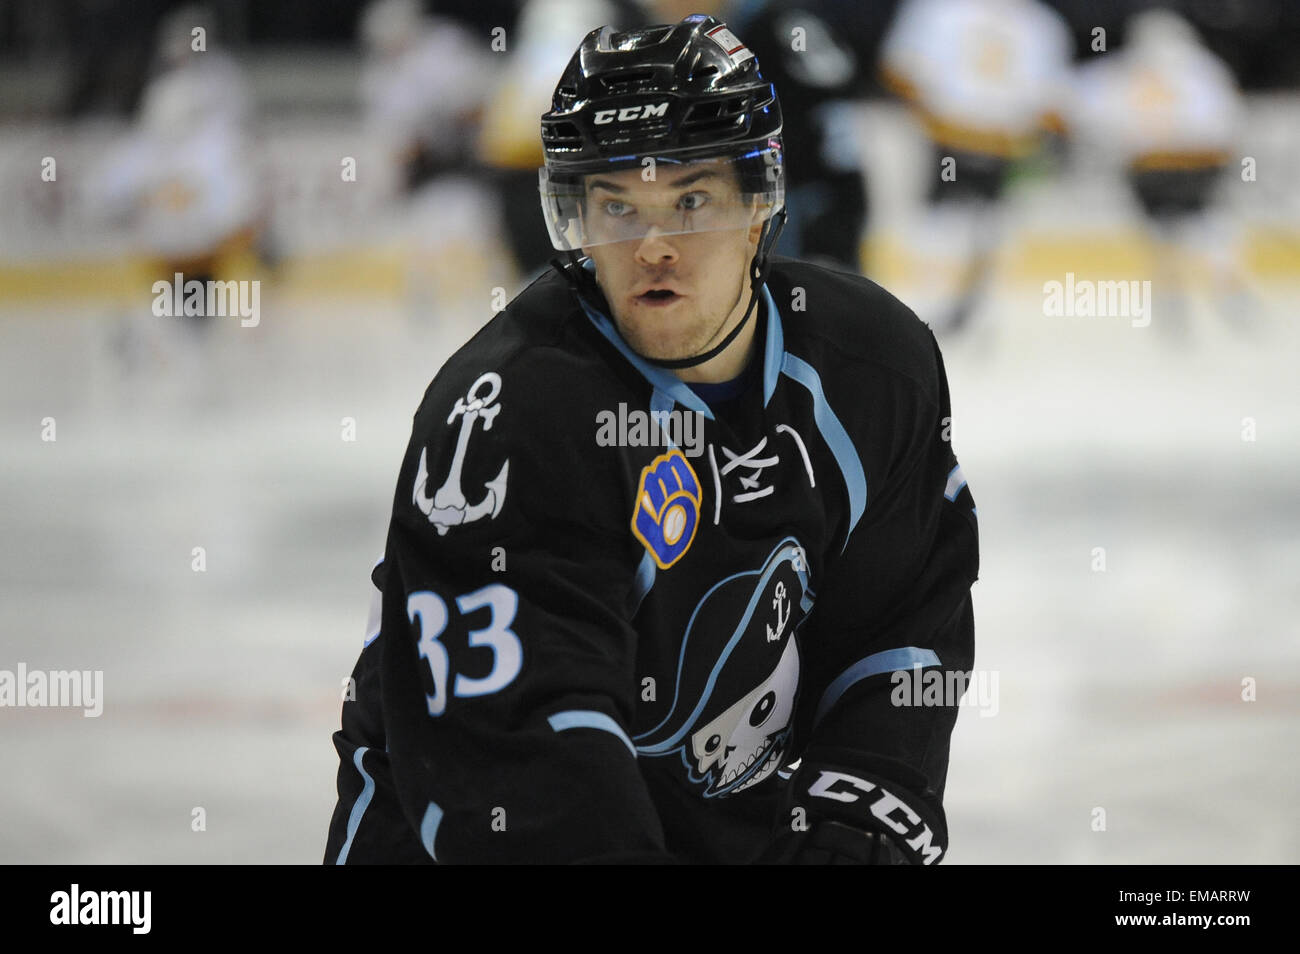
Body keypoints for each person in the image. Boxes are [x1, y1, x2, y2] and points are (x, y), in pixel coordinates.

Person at [324, 13, 979, 865]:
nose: (653, 246)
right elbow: (533, 760)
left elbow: (902, 630)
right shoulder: (509, 417)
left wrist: (857, 833)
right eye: (617, 206)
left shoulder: (872, 371)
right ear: (576, 218)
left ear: (759, 204)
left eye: (692, 200)